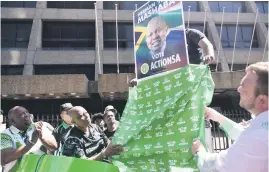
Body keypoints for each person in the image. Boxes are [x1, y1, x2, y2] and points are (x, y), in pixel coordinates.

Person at [191, 62, 268, 172]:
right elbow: (245, 133)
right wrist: (217, 117)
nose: (238, 90)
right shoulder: (262, 129)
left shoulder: (257, 138)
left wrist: (199, 152)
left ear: (262, 100)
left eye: (243, 87)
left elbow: (215, 166)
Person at [0, 106, 57, 172]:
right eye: (22, 114)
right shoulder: (5, 135)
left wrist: (41, 138)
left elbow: (53, 147)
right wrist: (31, 143)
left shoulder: (40, 126)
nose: (27, 115)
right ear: (13, 121)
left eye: (27, 112)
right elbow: (5, 158)